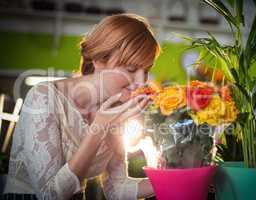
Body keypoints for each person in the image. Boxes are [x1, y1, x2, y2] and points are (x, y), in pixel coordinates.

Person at [3, 13, 161, 200]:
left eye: (147, 69)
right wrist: (99, 128)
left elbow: (117, 189)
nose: (142, 80)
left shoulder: (115, 109)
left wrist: (177, 177)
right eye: (131, 69)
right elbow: (49, 195)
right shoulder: (44, 98)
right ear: (99, 61)